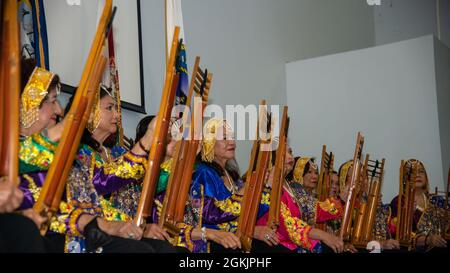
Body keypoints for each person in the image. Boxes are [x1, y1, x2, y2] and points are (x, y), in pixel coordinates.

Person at [389, 159, 447, 251]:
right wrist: (428, 240)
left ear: (426, 177)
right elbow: (398, 235)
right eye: (412, 172)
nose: (417, 175)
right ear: (405, 178)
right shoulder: (399, 201)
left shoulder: (436, 201)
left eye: (421, 171)